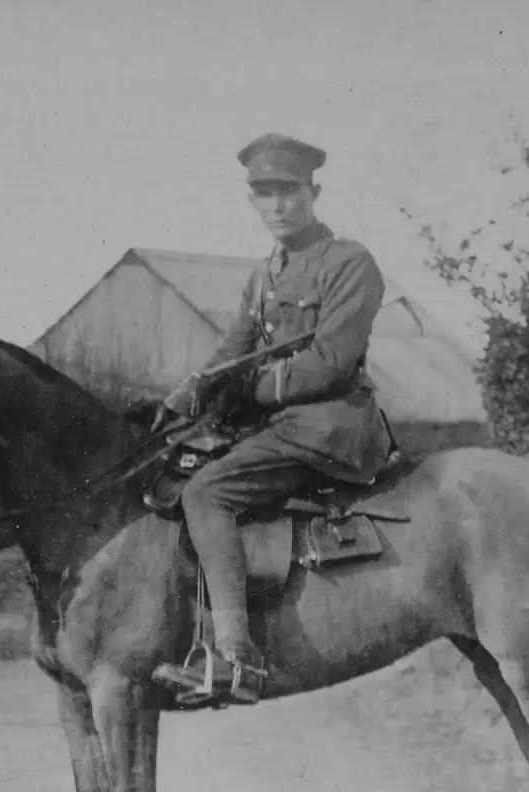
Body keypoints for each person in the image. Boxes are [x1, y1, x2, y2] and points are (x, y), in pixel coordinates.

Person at [153, 133, 393, 706]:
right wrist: (184, 398)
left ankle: (235, 657)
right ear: (252, 202)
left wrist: (250, 391)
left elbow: (331, 364)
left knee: (207, 493)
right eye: (265, 195)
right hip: (282, 427)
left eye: (288, 192)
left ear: (314, 192)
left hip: (332, 423)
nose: (278, 207)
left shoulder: (349, 263)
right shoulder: (264, 277)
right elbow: (231, 355)